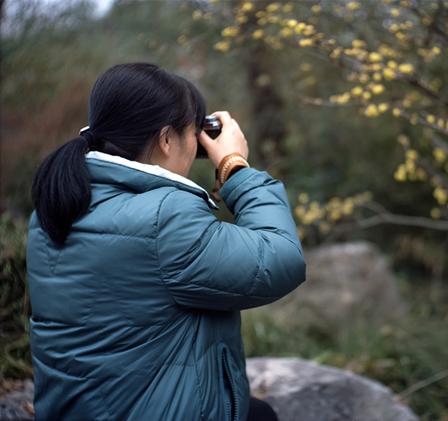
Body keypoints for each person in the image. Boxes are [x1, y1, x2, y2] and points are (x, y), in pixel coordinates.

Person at [26, 63, 306, 421]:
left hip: (80, 408)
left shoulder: (55, 206)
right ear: (166, 140)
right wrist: (235, 169)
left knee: (257, 412)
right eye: (194, 132)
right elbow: (281, 258)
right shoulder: (165, 218)